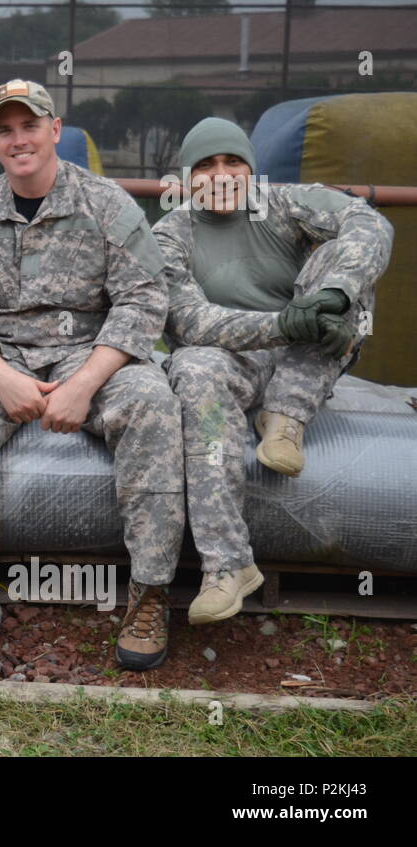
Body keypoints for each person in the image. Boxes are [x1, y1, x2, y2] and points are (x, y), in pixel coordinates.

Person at [0, 79, 186, 675]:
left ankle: (148, 592)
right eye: (6, 129)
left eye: (30, 125)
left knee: (151, 403)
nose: (20, 139)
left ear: (55, 129)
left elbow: (144, 301)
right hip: (2, 356)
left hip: (90, 351)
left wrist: (85, 384)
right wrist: (0, 376)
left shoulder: (107, 205)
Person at [154, 117, 393, 624]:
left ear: (251, 170)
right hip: (232, 356)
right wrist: (288, 324)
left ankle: (286, 419)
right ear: (186, 177)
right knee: (192, 366)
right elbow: (189, 320)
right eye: (206, 165)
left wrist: (334, 295)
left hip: (305, 359)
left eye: (233, 161)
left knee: (343, 253)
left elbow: (369, 222)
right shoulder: (170, 233)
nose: (221, 174)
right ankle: (228, 566)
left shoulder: (284, 203)